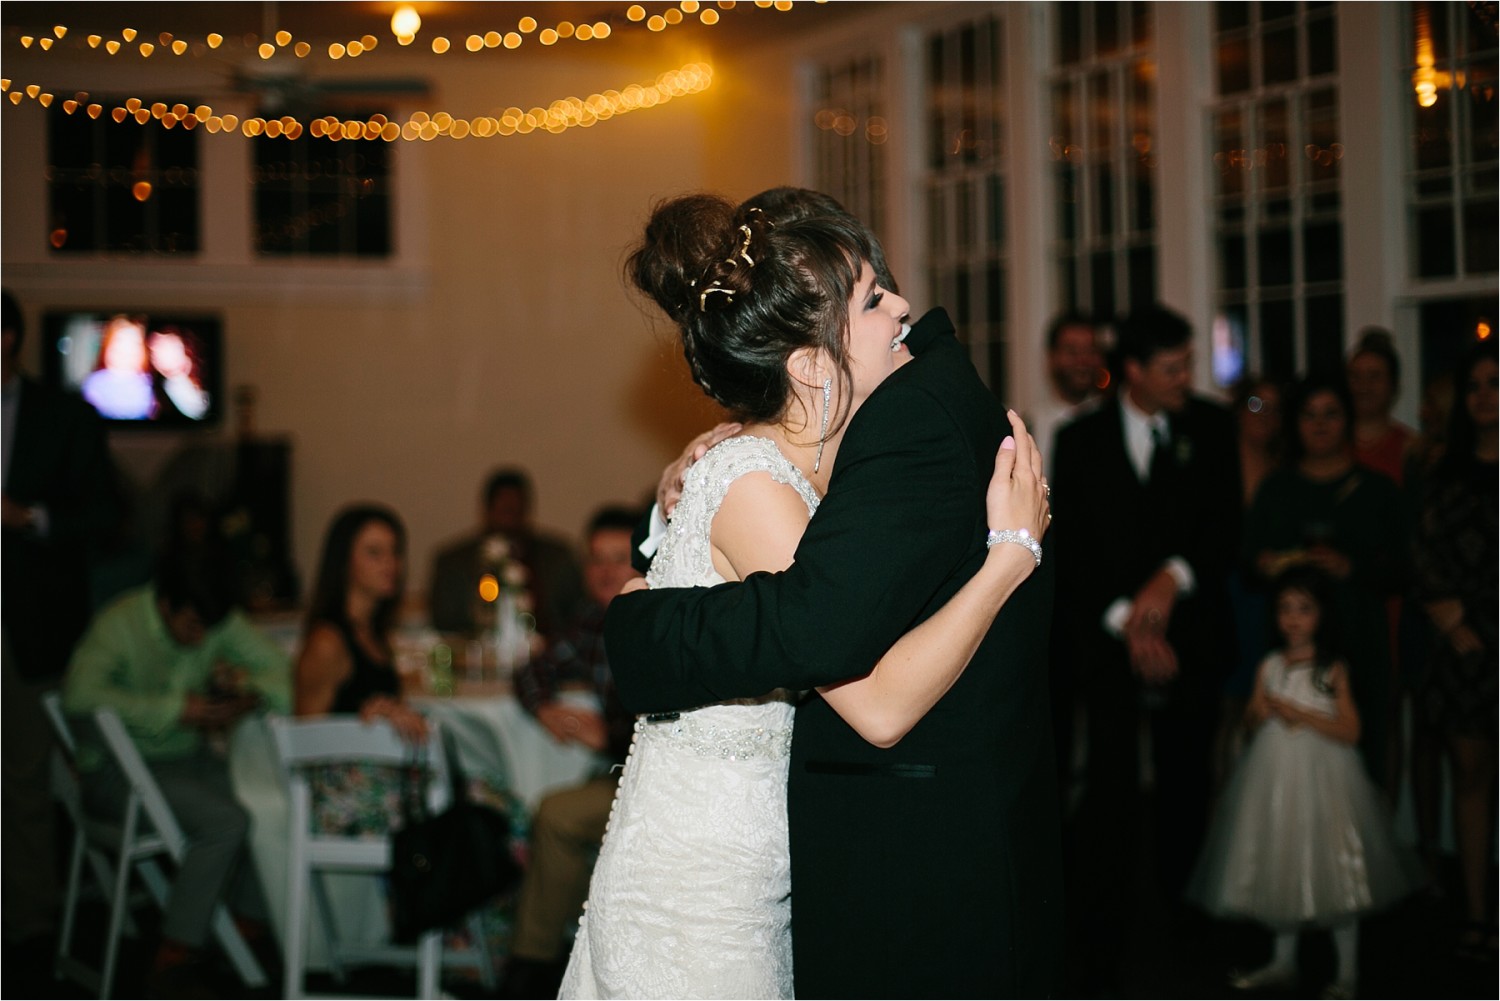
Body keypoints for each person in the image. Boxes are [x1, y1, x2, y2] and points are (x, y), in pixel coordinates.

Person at [591, 191, 1061, 999]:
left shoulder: (784, 465)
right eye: (874, 299)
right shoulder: (757, 486)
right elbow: (875, 703)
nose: (906, 306)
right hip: (705, 881)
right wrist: (1008, 559)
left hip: (757, 865)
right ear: (809, 362)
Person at [1050, 304, 1241, 989]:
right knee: (1108, 793)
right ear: (1132, 370)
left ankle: (1189, 929)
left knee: (1189, 783)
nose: (1186, 377)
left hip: (1192, 640)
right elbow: (1068, 550)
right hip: (1106, 645)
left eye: (1188, 363)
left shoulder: (1212, 429)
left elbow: (1224, 531)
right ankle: (1102, 945)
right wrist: (1130, 618)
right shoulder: (1080, 441)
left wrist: (1171, 579)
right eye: (1172, 367)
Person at [61, 542, 290, 992]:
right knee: (226, 821)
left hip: (186, 759)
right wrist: (172, 709)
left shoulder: (210, 613)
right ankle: (175, 953)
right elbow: (78, 698)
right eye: (191, 626)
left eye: (210, 628)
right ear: (165, 604)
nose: (202, 638)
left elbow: (280, 670)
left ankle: (247, 927)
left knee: (265, 802)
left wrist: (245, 693)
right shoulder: (120, 623)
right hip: (115, 771)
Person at [1188, 565, 1417, 999]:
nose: (1293, 618)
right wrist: (1260, 710)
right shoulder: (1270, 665)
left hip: (1326, 781)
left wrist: (1301, 714)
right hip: (1274, 782)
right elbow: (1252, 721)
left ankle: (1347, 972)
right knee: (1282, 861)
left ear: (1322, 616)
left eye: (1304, 609)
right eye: (1285, 609)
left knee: (1334, 866)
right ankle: (1282, 961)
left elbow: (1351, 730)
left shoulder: (1332, 669)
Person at [1, 289, 117, 958]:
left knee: (23, 773)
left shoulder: (62, 416)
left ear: (6, 339)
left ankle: (27, 919)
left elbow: (103, 515)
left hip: (27, 616)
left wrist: (26, 517)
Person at [502, 505, 642, 998]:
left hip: (655, 777)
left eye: (618, 558)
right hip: (619, 772)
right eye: (595, 559)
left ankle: (529, 966)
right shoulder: (591, 620)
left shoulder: (655, 614)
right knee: (543, 816)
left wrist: (607, 737)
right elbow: (529, 669)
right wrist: (544, 710)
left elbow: (672, 721)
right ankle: (553, 957)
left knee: (555, 816)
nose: (605, 571)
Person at [1243, 374, 1405, 788]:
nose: (1319, 424)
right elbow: (1247, 561)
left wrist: (1349, 567)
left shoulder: (1377, 490)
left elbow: (1403, 569)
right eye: (1309, 415)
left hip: (1359, 636)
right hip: (1291, 644)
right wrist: (1269, 564)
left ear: (1348, 420)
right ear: (1294, 424)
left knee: (1365, 752)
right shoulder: (1278, 488)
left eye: (1331, 414)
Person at [1412, 340, 1498, 962]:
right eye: (1476, 386)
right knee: (1469, 776)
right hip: (1464, 644)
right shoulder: (1443, 468)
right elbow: (1420, 551)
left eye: (1496, 383)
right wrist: (1448, 617)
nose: (1485, 395)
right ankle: (1475, 913)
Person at [295, 504, 428, 833]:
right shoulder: (328, 641)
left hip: (377, 775)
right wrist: (365, 723)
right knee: (477, 809)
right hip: (341, 795)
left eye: (395, 552)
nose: (390, 564)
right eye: (374, 553)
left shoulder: (370, 633)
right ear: (344, 563)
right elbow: (304, 741)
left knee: (484, 796)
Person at [428, 467, 585, 641]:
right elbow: (445, 623)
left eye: (515, 509)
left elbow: (574, 616)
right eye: (504, 509)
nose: (510, 517)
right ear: (488, 510)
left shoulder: (557, 557)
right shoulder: (454, 561)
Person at [1028, 311, 1105, 475]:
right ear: (1052, 358)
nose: (1082, 361)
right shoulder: (1031, 425)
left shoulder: (1112, 417)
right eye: (1072, 352)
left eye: (1090, 351)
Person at [1347, 327, 1415, 486]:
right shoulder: (1331, 442)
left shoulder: (1409, 448)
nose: (1363, 387)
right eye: (1355, 377)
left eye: (1374, 377)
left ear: (1393, 385)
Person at [81, 315, 154, 420]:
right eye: (119, 342)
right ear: (107, 346)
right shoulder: (94, 382)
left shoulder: (149, 383)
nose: (126, 350)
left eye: (134, 343)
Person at [148, 326, 211, 421]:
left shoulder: (207, 366)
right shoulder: (159, 394)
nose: (160, 356)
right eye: (154, 352)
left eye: (167, 346)